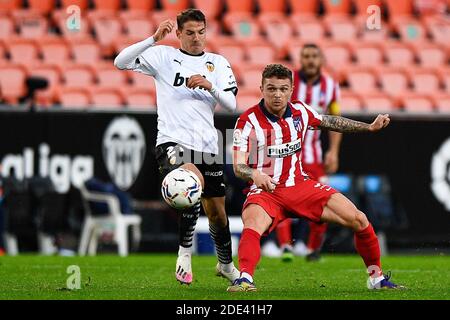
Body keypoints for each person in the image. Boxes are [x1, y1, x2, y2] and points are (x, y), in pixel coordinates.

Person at [228, 64, 405, 292]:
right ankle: (245, 279)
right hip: (266, 191)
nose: (277, 95)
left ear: (291, 89)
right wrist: (254, 174)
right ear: (261, 88)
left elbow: (331, 122)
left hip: (301, 186)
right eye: (271, 89)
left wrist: (368, 127)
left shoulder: (301, 111)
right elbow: (238, 165)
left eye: (283, 89)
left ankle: (376, 279)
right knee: (252, 225)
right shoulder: (247, 121)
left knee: (359, 219)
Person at [114, 9, 240, 285]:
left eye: (201, 32)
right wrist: (153, 39)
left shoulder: (217, 63)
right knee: (189, 179)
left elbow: (232, 104)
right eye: (191, 33)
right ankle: (184, 253)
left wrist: (210, 87)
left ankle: (226, 265)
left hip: (207, 144)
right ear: (179, 33)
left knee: (217, 213)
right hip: (172, 141)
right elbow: (120, 62)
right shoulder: (163, 56)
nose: (197, 38)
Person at [276, 43, 342, 262]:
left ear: (321, 59)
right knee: (281, 199)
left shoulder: (331, 86)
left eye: (314, 55)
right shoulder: (288, 84)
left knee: (321, 202)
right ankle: (285, 245)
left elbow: (335, 121)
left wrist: (333, 151)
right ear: (300, 59)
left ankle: (313, 250)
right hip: (286, 153)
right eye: (306, 56)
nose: (310, 60)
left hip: (313, 157)